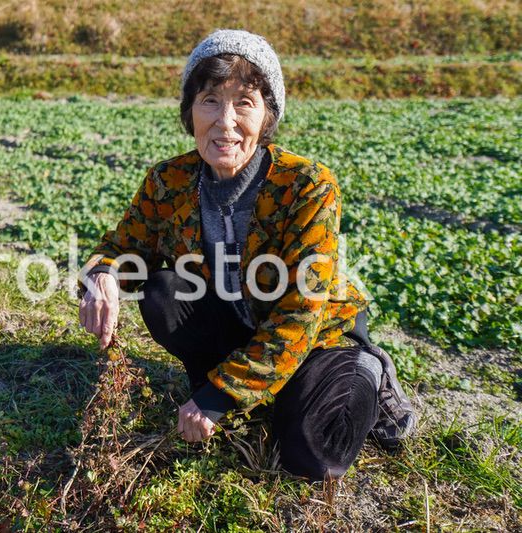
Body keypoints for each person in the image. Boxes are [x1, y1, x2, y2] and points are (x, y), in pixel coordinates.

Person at [77, 29, 415, 480]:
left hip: (316, 338)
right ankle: (226, 386)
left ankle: (369, 371)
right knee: (163, 291)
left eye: (245, 102)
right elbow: (122, 248)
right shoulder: (169, 181)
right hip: (237, 323)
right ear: (189, 111)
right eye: (210, 100)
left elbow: (301, 312)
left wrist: (220, 396)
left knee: (312, 457)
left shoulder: (307, 186)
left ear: (268, 115)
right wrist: (102, 276)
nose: (226, 122)